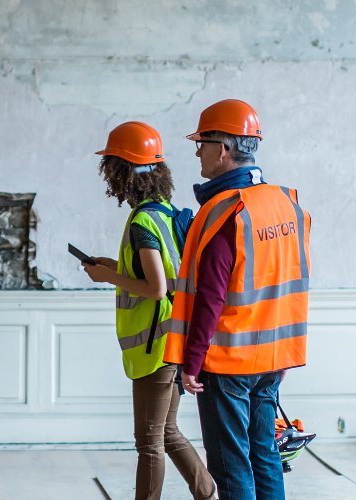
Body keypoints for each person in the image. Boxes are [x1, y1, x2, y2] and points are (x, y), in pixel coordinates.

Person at [163, 99, 311, 500]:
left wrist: (192, 362)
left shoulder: (225, 212)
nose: (198, 152)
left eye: (202, 143)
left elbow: (211, 296)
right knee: (264, 454)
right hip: (273, 357)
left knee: (231, 466)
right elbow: (289, 281)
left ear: (224, 148)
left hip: (228, 362)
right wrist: (280, 356)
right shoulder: (285, 204)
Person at [82, 121, 217, 500]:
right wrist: (113, 266)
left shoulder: (143, 220)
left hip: (154, 347)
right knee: (167, 433)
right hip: (172, 338)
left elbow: (156, 288)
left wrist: (107, 277)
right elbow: (161, 275)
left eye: (111, 168)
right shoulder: (164, 212)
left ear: (122, 172)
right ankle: (209, 494)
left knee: (149, 441)